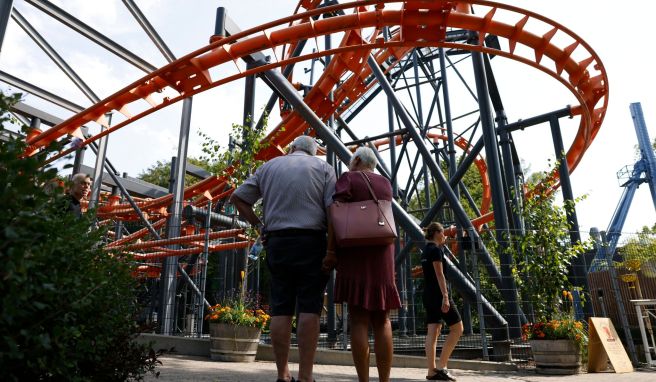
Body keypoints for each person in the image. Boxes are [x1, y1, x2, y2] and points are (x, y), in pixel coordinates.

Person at [230, 135, 336, 382]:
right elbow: (333, 211)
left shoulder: (269, 166)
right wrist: (332, 250)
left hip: (278, 241)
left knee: (281, 307)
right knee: (310, 307)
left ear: (291, 147)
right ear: (314, 151)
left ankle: (283, 374)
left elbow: (238, 197)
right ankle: (306, 377)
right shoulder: (323, 167)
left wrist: (259, 225)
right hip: (312, 241)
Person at [322, 146, 401, 382]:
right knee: (383, 319)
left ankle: (363, 381)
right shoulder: (385, 183)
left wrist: (330, 251)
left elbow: (335, 216)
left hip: (355, 252)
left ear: (356, 160)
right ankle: (384, 380)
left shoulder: (349, 178)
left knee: (359, 319)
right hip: (382, 253)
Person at [421, 222, 463, 381]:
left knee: (433, 331)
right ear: (437, 233)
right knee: (458, 328)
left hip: (428, 294)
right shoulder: (436, 251)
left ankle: (431, 371)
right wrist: (446, 296)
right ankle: (441, 366)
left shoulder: (425, 251)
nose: (445, 234)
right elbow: (439, 274)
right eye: (443, 232)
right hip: (438, 295)